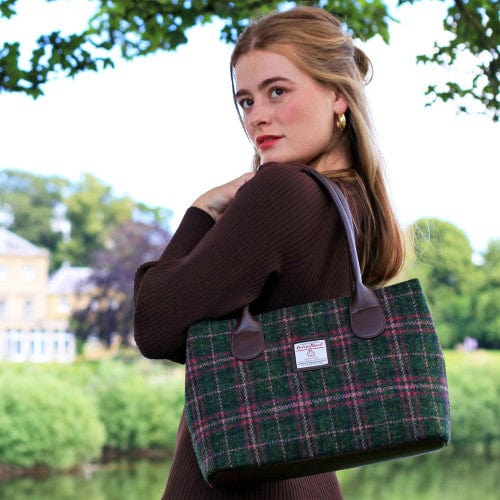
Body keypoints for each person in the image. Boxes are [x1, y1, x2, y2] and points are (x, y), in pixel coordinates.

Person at [133, 6, 404, 499]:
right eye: (245, 100)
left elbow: (154, 326)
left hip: (244, 478)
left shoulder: (281, 191)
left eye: (277, 91)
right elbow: (189, 340)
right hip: (311, 478)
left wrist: (201, 209)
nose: (257, 115)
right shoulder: (355, 203)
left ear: (338, 94)